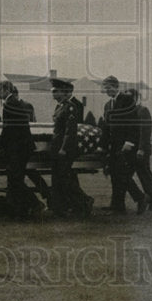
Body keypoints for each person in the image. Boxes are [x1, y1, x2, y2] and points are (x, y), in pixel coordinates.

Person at [99, 76, 148, 214]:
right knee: (115, 175)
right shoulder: (108, 105)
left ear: (116, 86)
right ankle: (118, 206)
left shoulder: (127, 100)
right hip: (114, 145)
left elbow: (133, 123)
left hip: (126, 145)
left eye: (108, 87)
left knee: (122, 175)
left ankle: (140, 198)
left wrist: (130, 142)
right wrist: (102, 145)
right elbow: (106, 127)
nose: (106, 90)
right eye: (105, 88)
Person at [49, 78, 94, 218]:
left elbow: (70, 131)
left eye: (56, 91)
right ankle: (59, 208)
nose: (53, 94)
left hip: (65, 149)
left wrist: (63, 148)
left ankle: (84, 201)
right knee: (57, 178)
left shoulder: (70, 107)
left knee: (65, 178)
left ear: (63, 92)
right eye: (52, 91)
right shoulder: (59, 107)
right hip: (57, 147)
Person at [0, 80, 39, 219]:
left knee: (15, 179)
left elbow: (8, 128)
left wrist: (0, 146)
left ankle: (34, 204)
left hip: (18, 148)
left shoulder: (9, 104)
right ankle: (22, 209)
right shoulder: (15, 102)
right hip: (22, 146)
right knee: (16, 179)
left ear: (6, 91)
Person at [131, 90, 152, 210]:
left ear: (136, 98)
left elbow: (145, 132)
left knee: (144, 175)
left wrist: (141, 148)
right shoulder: (130, 112)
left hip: (141, 150)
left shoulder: (142, 111)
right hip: (132, 150)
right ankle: (145, 199)